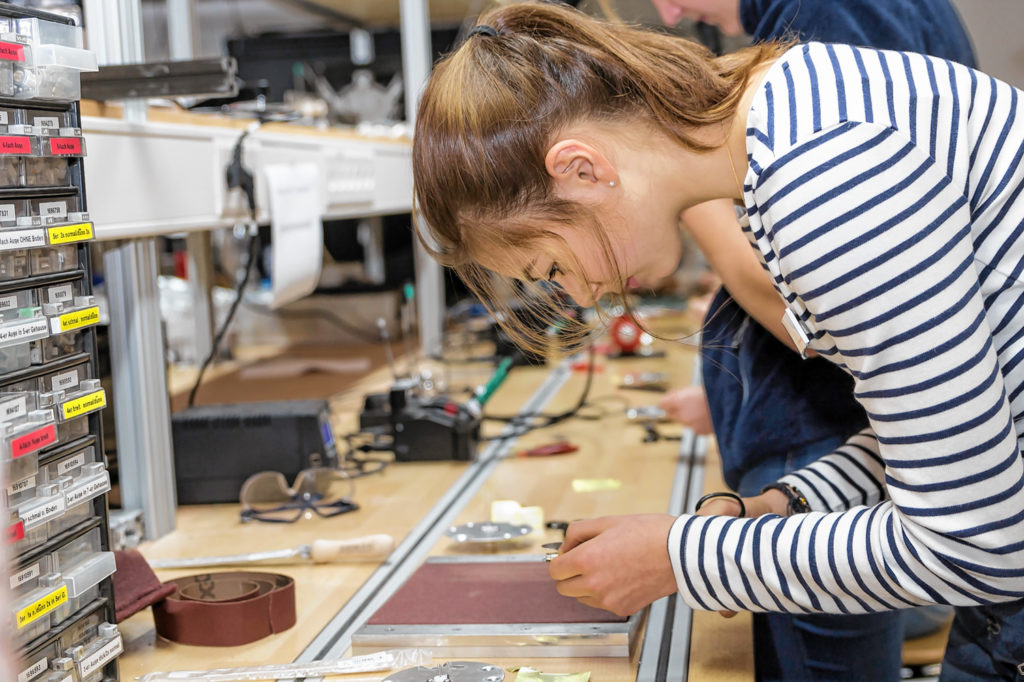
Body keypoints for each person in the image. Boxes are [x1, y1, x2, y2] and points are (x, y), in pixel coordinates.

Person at [411, 3, 1024, 680]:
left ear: (582, 169)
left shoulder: (825, 186)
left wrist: (681, 556)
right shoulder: (789, 123)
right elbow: (952, 431)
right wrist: (788, 503)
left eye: (551, 267)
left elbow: (976, 545)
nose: (583, 295)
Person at [644, 1, 975, 677]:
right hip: (842, 453)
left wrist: (691, 185)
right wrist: (785, 502)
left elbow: (970, 544)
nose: (671, 14)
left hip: (816, 428)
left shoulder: (818, 71)